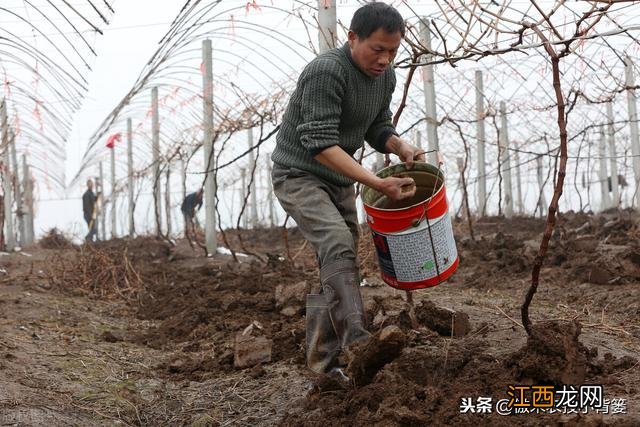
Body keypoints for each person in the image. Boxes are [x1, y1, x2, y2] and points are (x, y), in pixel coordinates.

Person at [271, 3, 424, 376]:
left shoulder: (383, 77)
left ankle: (324, 366)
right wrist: (375, 183)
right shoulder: (326, 73)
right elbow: (320, 144)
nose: (385, 59)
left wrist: (400, 146)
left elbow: (377, 126)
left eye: (393, 50)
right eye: (377, 49)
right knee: (338, 242)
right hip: (299, 174)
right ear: (353, 37)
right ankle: (357, 342)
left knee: (336, 258)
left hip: (338, 181)